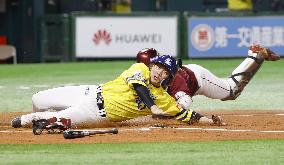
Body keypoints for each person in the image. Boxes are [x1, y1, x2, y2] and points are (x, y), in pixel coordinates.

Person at [12, 54, 222, 129]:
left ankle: (24, 121)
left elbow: (185, 115)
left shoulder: (163, 98)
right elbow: (140, 88)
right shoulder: (140, 69)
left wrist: (209, 121)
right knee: (38, 98)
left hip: (95, 114)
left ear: (168, 78)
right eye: (158, 67)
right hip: (90, 91)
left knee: (54, 118)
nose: (160, 72)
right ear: (152, 65)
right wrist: (153, 108)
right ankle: (37, 116)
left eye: (165, 72)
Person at [136, 45, 280, 120]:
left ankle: (255, 56)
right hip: (186, 75)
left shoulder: (173, 80)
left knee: (232, 91)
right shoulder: (142, 74)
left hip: (198, 78)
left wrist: (172, 112)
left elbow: (185, 99)